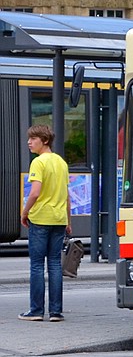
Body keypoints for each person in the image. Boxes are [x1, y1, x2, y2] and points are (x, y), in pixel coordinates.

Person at [19, 125, 71, 322]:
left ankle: (36, 311)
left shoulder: (39, 162)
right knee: (55, 265)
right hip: (59, 219)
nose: (29, 142)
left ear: (45, 140)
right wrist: (68, 221)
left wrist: (24, 213)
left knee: (37, 265)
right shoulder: (61, 163)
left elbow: (35, 192)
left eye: (33, 139)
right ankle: (56, 312)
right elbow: (67, 196)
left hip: (41, 218)